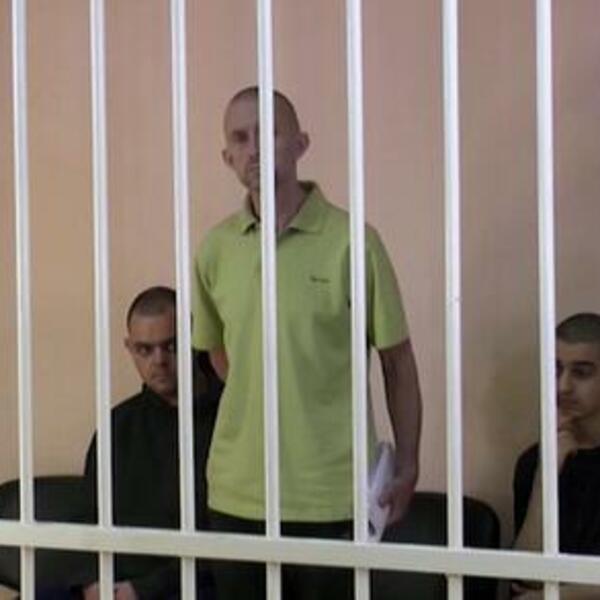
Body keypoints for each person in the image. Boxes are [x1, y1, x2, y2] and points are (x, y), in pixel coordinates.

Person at [192, 87, 422, 599]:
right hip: (237, 494)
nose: (255, 147)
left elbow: (398, 364)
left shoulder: (353, 242)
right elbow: (218, 355)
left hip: (332, 494)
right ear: (227, 157)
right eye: (240, 138)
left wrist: (408, 463)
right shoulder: (215, 250)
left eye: (268, 132)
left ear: (300, 143)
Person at [79, 286, 221, 599]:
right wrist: (94, 583)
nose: (159, 361)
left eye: (171, 345)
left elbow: (230, 542)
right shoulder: (118, 426)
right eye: (144, 349)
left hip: (195, 587)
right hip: (116, 583)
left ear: (196, 340)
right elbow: (88, 521)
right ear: (129, 348)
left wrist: (144, 590)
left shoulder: (230, 424)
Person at [513, 313, 600, 599]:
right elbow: (526, 576)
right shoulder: (535, 460)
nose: (563, 386)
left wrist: (553, 597)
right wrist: (546, 474)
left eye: (581, 373)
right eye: (556, 369)